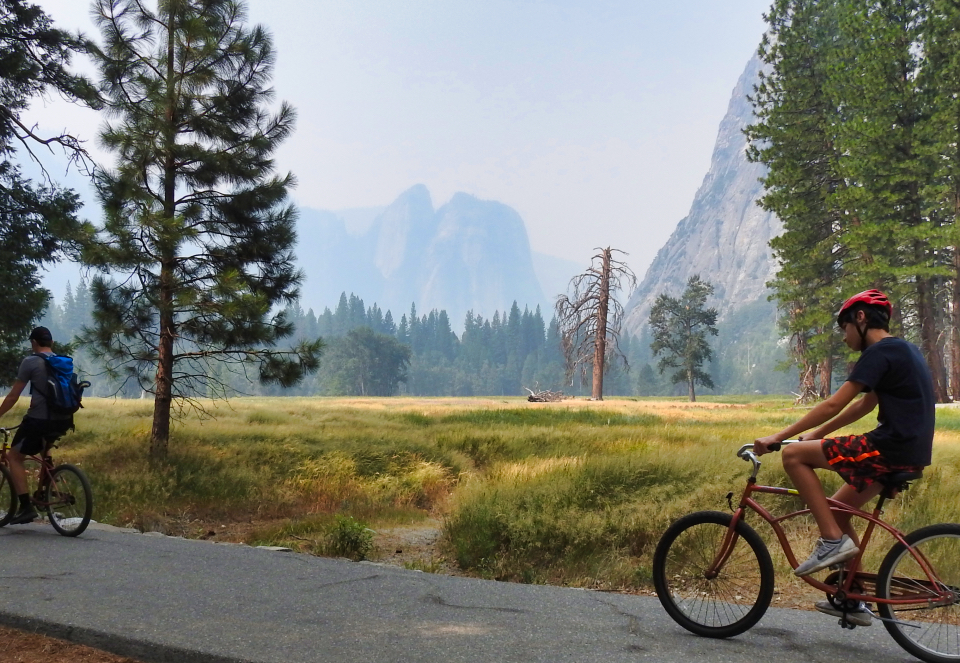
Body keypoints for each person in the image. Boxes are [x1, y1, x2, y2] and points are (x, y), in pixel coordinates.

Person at [754, 289, 935, 626]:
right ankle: (851, 600)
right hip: (908, 451)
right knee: (837, 512)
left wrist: (778, 437)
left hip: (890, 447)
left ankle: (831, 543)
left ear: (861, 318)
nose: (845, 335)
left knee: (793, 455)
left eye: (845, 327)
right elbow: (863, 405)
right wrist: (820, 434)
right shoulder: (903, 350)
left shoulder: (879, 352)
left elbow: (833, 403)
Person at [0, 326, 75, 524]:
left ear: (34, 343)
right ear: (50, 343)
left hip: (39, 420)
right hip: (64, 418)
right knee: (45, 445)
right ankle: (46, 487)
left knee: (14, 457)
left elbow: (13, 396)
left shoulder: (30, 361)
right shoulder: (63, 362)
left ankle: (26, 508)